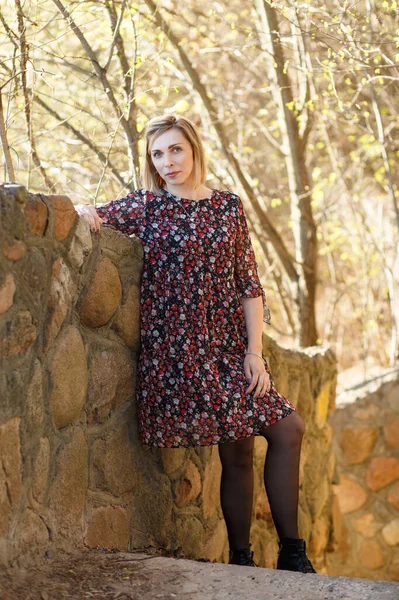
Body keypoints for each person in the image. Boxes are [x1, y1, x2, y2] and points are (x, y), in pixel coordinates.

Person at [75, 114, 316, 574]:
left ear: (194, 149)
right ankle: (250, 560)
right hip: (181, 356)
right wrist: (87, 210)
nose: (168, 162)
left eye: (176, 150)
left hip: (228, 349)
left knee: (284, 431)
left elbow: (248, 284)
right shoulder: (147, 206)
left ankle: (288, 554)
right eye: (158, 154)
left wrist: (254, 353)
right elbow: (93, 212)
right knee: (243, 445)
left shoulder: (228, 206)